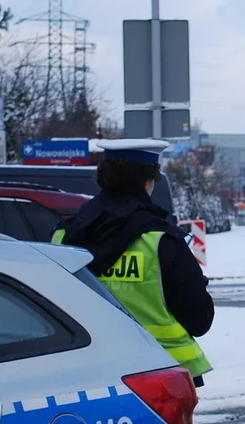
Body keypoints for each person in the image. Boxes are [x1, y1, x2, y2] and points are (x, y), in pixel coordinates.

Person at [52, 139, 214, 386]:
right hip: (162, 376)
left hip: (82, 375)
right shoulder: (161, 240)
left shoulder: (63, 237)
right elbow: (199, 320)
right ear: (146, 182)